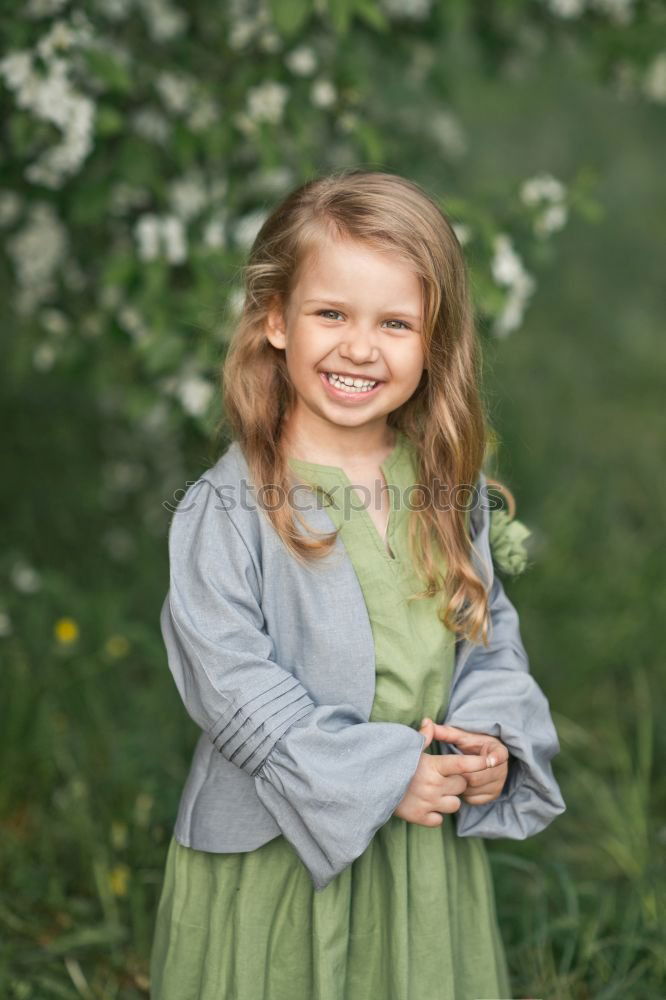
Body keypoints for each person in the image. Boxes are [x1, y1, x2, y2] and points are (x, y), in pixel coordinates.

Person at [149, 168, 566, 999]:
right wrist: (380, 773)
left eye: (396, 323)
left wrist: (487, 739)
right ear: (275, 318)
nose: (360, 347)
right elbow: (233, 689)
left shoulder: (446, 489)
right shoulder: (229, 508)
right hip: (278, 851)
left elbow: (485, 633)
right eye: (331, 313)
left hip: (418, 846)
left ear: (433, 341)